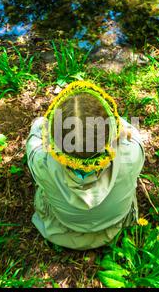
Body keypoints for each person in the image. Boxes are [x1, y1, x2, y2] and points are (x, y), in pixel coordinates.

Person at [26, 81, 145, 250]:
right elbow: (127, 129)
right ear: (111, 133)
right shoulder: (132, 153)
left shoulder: (41, 162)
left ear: (56, 143)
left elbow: (37, 130)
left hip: (63, 228)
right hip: (114, 226)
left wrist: (43, 124)